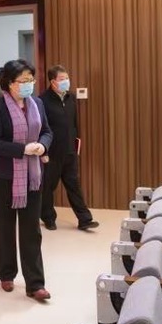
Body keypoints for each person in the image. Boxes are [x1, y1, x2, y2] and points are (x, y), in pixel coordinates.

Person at [0, 59, 53, 301]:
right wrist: (22, 149)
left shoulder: (37, 104)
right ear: (9, 83)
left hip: (33, 177)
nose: (28, 85)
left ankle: (35, 284)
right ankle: (7, 274)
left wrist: (43, 145)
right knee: (5, 229)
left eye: (30, 80)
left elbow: (47, 131)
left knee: (31, 231)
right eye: (23, 81)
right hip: (4, 178)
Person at [39, 65, 98, 231]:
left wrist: (75, 143)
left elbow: (74, 124)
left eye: (67, 78)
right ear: (53, 82)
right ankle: (48, 218)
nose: (66, 81)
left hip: (69, 150)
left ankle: (85, 219)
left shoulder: (71, 97)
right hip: (51, 152)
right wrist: (43, 150)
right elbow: (41, 128)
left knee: (74, 185)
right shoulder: (42, 100)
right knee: (48, 187)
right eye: (62, 79)